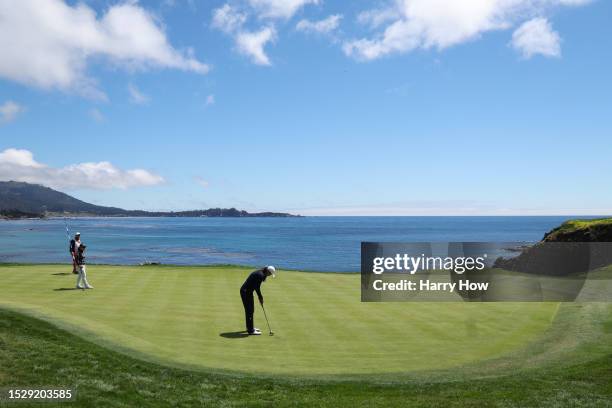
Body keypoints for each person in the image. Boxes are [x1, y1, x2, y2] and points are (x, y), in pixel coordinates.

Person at [240, 266, 275, 335]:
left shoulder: (260, 273)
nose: (270, 275)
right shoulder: (260, 275)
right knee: (249, 310)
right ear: (268, 271)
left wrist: (257, 296)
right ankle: (250, 330)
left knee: (251, 310)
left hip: (248, 292)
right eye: (270, 274)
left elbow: (254, 286)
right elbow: (257, 288)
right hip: (245, 292)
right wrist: (260, 297)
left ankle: (250, 327)